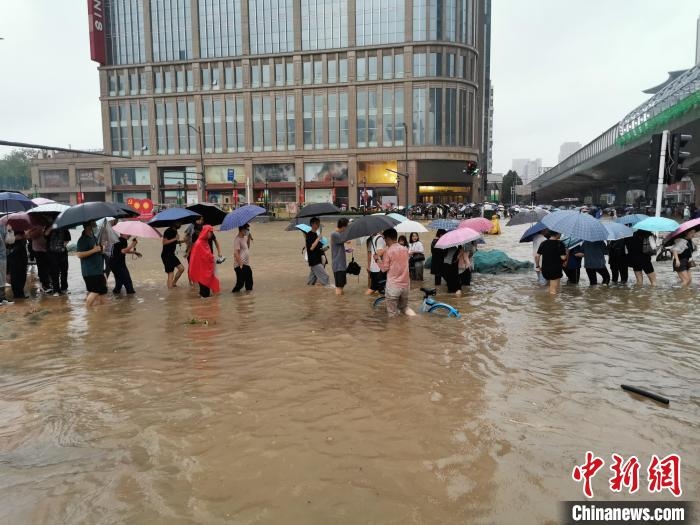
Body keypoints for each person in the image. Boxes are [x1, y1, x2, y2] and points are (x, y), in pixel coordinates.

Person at [378, 228, 414, 318]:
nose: (384, 242)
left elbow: (384, 269)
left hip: (393, 286)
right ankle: (416, 318)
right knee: (405, 308)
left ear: (388, 239)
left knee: (392, 313)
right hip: (405, 285)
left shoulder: (388, 251)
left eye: (384, 239)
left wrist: (376, 259)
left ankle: (394, 331)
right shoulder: (405, 249)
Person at [75, 221, 108, 307]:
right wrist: (94, 250)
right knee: (95, 291)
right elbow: (79, 255)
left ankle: (104, 313)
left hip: (98, 270)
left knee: (103, 292)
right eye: (93, 223)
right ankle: (88, 312)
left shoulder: (94, 237)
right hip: (90, 272)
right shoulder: (82, 239)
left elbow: (98, 251)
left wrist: (102, 248)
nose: (96, 224)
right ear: (88, 226)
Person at [188, 224, 220, 298]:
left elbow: (208, 256)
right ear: (206, 232)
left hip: (207, 272)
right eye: (210, 232)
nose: (211, 234)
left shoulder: (205, 242)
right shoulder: (199, 243)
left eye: (212, 232)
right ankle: (203, 308)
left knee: (207, 294)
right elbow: (194, 259)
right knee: (205, 294)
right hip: (202, 273)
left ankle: (205, 307)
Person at [535, 231, 567, 295]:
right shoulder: (560, 243)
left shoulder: (543, 243)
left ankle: (547, 302)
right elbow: (563, 258)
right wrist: (566, 252)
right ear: (557, 234)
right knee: (554, 289)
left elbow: (537, 256)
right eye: (560, 233)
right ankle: (552, 304)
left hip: (545, 269)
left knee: (551, 287)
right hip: (555, 269)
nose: (561, 234)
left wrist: (538, 266)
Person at [306, 217, 331, 287]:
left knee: (311, 281)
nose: (318, 225)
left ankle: (309, 293)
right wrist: (318, 239)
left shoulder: (316, 234)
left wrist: (325, 248)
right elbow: (311, 248)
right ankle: (329, 291)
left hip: (317, 259)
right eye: (317, 224)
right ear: (312, 224)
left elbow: (318, 248)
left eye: (319, 224)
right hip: (314, 260)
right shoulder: (309, 235)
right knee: (325, 277)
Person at [47, 227, 71, 296]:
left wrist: (65, 244)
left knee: (64, 271)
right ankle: (56, 290)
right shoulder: (49, 226)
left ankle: (64, 288)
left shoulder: (64, 227)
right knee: (54, 272)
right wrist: (50, 228)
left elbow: (68, 238)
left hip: (63, 253)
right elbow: (45, 235)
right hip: (52, 254)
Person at [161, 222, 184, 288]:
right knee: (171, 273)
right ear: (174, 223)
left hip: (171, 254)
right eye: (178, 223)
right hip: (166, 255)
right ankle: (170, 292)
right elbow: (164, 242)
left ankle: (173, 283)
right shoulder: (168, 231)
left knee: (181, 269)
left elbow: (173, 242)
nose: (180, 224)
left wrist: (183, 241)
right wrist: (175, 239)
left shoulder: (175, 231)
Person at [6, 229, 28, 300]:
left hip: (22, 253)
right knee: (15, 276)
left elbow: (25, 238)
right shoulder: (7, 229)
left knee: (22, 275)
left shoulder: (20, 226)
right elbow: (6, 242)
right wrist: (15, 238)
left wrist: (24, 236)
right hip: (13, 254)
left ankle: (21, 293)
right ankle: (17, 294)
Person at [330, 218, 350, 295]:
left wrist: (346, 249)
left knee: (341, 286)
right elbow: (346, 239)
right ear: (343, 227)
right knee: (339, 286)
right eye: (347, 227)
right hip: (338, 265)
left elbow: (341, 243)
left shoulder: (337, 234)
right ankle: (338, 304)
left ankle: (340, 304)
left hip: (340, 264)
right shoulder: (335, 234)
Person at [232, 223, 254, 292]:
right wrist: (241, 264)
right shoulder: (237, 240)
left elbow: (247, 248)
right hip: (239, 265)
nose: (248, 231)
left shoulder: (244, 237)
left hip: (246, 264)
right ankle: (234, 294)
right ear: (242, 230)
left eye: (248, 229)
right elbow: (236, 253)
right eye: (247, 229)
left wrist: (249, 239)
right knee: (240, 284)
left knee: (249, 283)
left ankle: (247, 298)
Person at [0, 223, 11, 305]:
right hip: (1, 256)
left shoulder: (2, 226)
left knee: (2, 278)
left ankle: (3, 298)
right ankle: (1, 298)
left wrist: (9, 231)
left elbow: (7, 241)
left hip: (3, 256)